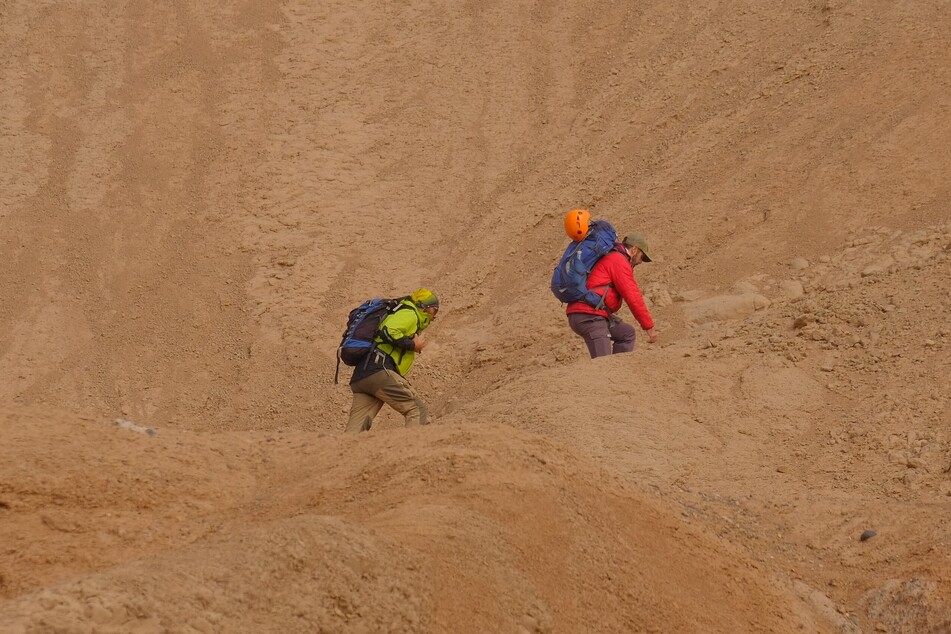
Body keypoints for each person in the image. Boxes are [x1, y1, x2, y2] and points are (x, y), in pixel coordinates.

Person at [346, 288, 439, 432]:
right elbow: (387, 331)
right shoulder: (410, 313)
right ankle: (413, 452)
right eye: (435, 311)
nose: (435, 317)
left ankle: (343, 453)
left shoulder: (401, 312)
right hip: (378, 369)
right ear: (425, 308)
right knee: (416, 408)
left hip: (362, 377)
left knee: (355, 430)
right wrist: (413, 345)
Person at [566, 233, 658, 358]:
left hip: (594, 313)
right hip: (589, 315)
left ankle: (618, 374)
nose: (641, 262)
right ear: (634, 250)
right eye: (642, 257)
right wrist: (649, 326)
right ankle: (608, 375)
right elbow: (633, 296)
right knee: (603, 364)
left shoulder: (612, 257)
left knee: (626, 334)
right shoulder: (618, 260)